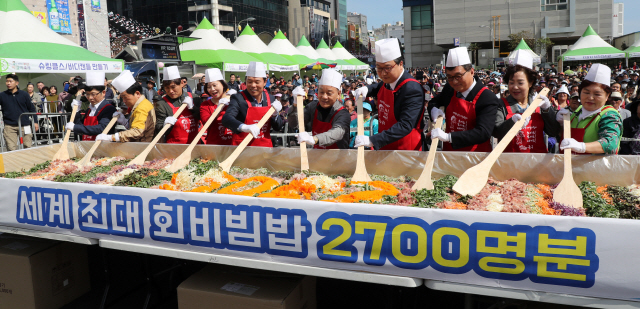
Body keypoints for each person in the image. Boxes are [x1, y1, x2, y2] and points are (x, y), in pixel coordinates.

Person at [352, 38, 424, 150]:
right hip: (386, 145)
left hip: (406, 149)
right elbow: (377, 86)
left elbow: (405, 125)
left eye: (387, 68)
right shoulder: (387, 82)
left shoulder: (412, 89)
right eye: (379, 68)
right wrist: (366, 89)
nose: (383, 73)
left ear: (400, 64)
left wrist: (372, 140)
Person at [428, 47, 499, 152]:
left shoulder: (487, 97)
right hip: (449, 155)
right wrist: (433, 109)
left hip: (475, 156)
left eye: (458, 76)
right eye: (450, 77)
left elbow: (483, 132)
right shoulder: (450, 89)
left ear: (471, 71)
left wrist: (449, 137)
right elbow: (435, 101)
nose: (454, 82)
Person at [492, 51, 559, 153]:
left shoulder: (538, 104)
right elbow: (496, 132)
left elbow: (553, 131)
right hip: (510, 163)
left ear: (530, 83)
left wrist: (547, 110)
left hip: (537, 163)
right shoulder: (501, 104)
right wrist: (511, 122)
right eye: (511, 83)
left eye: (520, 83)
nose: (515, 87)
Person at [557, 64, 622, 155]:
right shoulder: (577, 111)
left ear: (607, 96)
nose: (590, 98)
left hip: (595, 168)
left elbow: (610, 144)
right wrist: (561, 124)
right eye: (586, 92)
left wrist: (582, 147)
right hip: (570, 166)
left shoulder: (609, 115)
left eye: (597, 94)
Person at [222, 62, 283, 147]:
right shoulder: (238, 98)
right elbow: (227, 118)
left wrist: (275, 115)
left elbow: (278, 127)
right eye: (249, 81)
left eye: (257, 82)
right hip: (242, 147)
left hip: (264, 148)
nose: (253, 85)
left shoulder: (271, 99)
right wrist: (244, 127)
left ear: (265, 82)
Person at [296, 69, 351, 149]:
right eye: (321, 92)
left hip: (338, 159)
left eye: (329, 93)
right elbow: (296, 123)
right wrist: (294, 106)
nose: (324, 97)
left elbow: (336, 133)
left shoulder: (343, 114)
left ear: (338, 94)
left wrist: (314, 139)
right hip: (316, 157)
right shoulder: (313, 106)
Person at [97, 70, 156, 143]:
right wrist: (125, 122)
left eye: (125, 97)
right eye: (122, 98)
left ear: (137, 93)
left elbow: (137, 132)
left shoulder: (142, 107)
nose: (124, 101)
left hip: (143, 146)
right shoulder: (139, 105)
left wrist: (112, 137)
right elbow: (138, 126)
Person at [65, 72, 117, 141]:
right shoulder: (89, 109)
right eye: (87, 94)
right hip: (87, 145)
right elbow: (81, 126)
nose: (90, 98)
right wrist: (77, 111)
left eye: (93, 94)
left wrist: (75, 127)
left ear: (103, 93)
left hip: (102, 147)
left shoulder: (109, 108)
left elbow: (101, 128)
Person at [156, 66, 201, 144]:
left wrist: (193, 108)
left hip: (195, 145)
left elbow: (203, 118)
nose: (171, 91)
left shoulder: (194, 98)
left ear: (182, 83)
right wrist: (164, 125)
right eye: (167, 88)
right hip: (173, 147)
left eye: (173, 87)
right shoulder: (162, 104)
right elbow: (158, 128)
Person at [0, 74, 38, 150]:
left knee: (27, 146)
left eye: (10, 81)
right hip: (9, 126)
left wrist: (35, 122)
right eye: (7, 81)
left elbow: (32, 109)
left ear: (17, 83)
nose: (8, 83)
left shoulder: (24, 94)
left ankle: (28, 162)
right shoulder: (2, 95)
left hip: (25, 125)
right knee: (11, 148)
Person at [200, 68, 234, 145]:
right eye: (209, 87)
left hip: (233, 144)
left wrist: (236, 99)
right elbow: (206, 123)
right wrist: (218, 109)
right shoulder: (205, 105)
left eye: (215, 85)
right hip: (213, 145)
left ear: (223, 84)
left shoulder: (233, 101)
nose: (212, 89)